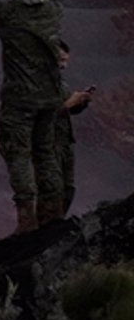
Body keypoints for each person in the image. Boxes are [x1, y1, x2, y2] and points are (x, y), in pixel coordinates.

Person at [0, 0, 67, 232]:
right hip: (50, 96)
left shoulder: (9, 13)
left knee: (18, 154)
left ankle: (27, 220)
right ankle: (53, 213)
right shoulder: (54, 10)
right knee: (45, 152)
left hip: (20, 98)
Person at [48, 40, 97, 222]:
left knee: (67, 188)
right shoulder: (36, 85)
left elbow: (68, 109)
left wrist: (82, 101)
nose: (63, 65)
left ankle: (54, 227)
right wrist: (70, 102)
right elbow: (38, 114)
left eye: (65, 61)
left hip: (64, 142)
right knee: (51, 188)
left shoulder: (60, 84)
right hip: (47, 144)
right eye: (60, 60)